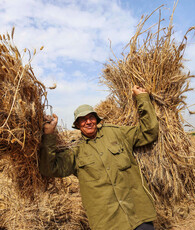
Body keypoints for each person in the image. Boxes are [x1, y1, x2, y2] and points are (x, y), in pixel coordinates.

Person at [39, 85, 159, 230]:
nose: (88, 122)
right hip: (108, 222)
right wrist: (49, 135)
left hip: (138, 214)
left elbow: (149, 132)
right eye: (82, 120)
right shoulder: (74, 149)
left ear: (96, 119)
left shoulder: (117, 133)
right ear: (77, 125)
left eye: (91, 117)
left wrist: (142, 98)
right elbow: (50, 169)